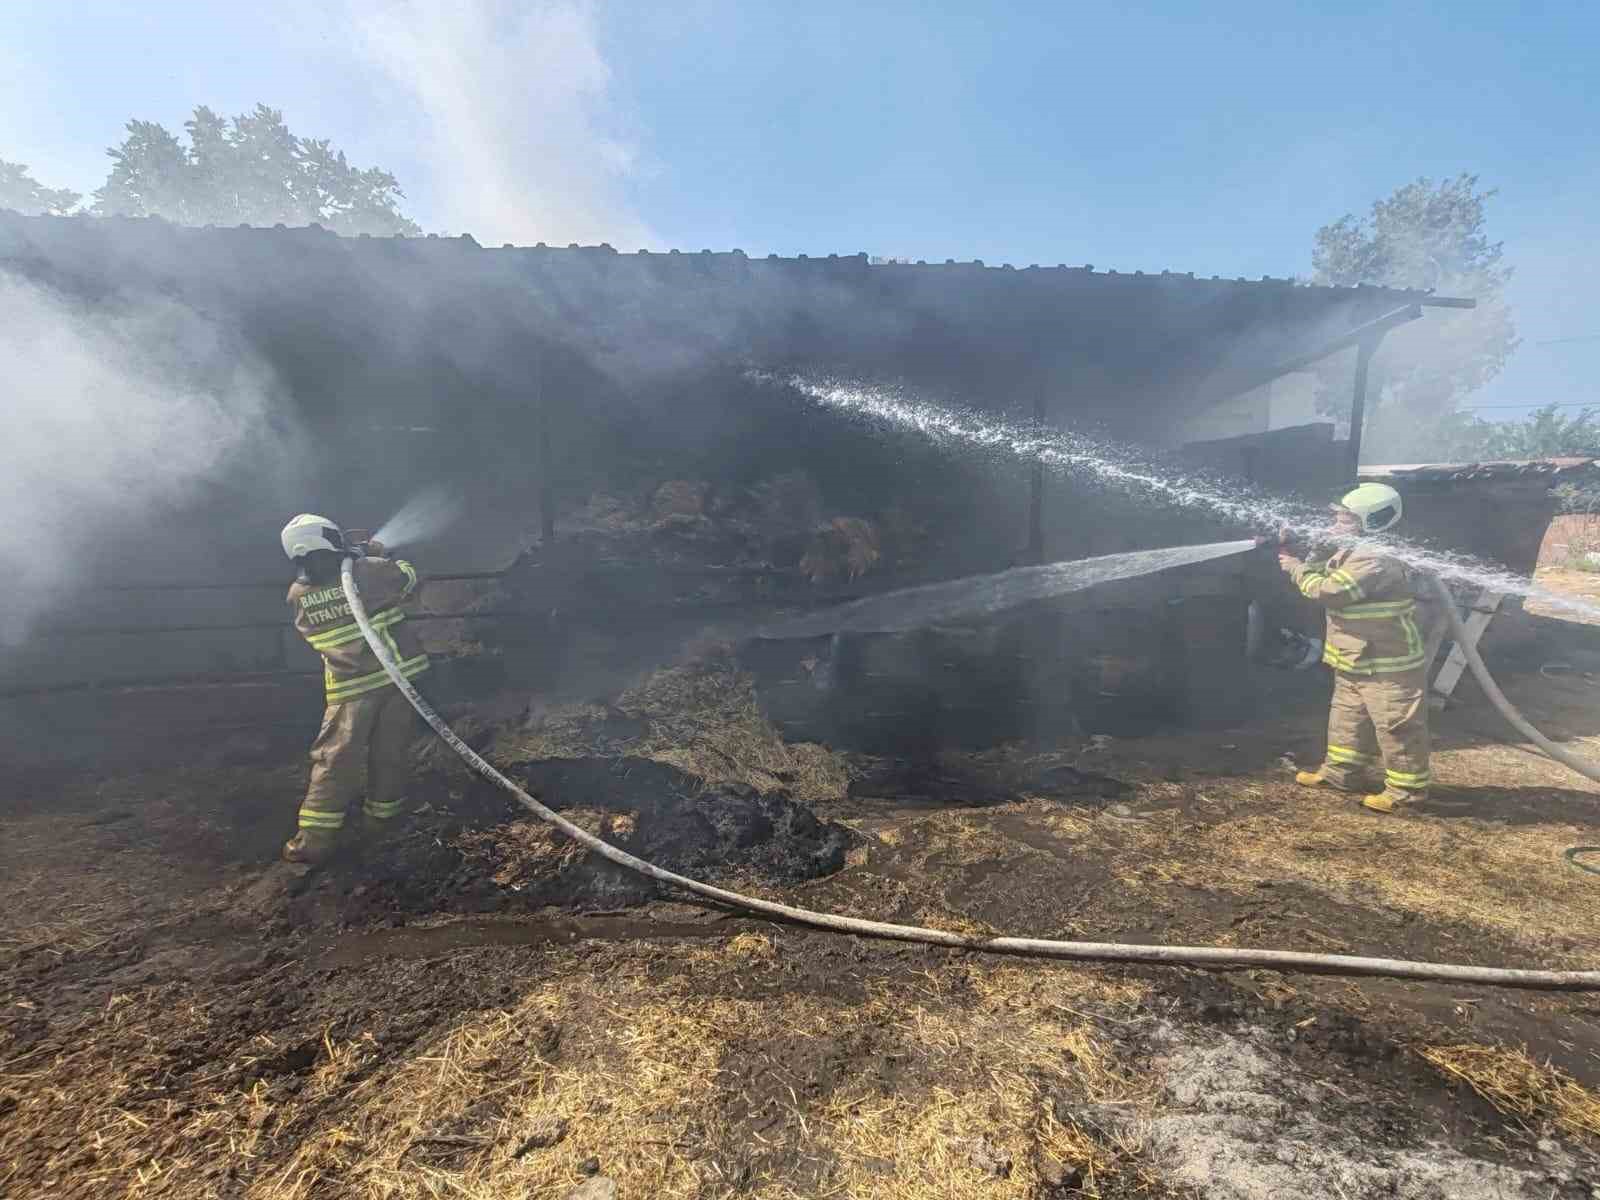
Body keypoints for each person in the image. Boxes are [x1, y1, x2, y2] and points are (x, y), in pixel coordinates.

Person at [279, 514, 431, 864]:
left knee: (335, 761)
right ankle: (381, 825)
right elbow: (407, 577)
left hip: (349, 691)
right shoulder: (368, 571)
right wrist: (374, 554)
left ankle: (313, 842)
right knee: (389, 754)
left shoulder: (297, 595)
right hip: (397, 681)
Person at [1276, 483, 1430, 814]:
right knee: (1347, 719)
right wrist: (1316, 550)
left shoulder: (1375, 559)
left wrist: (1293, 567)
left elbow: (1327, 591)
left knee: (1396, 726)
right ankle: (1341, 775)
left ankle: (1406, 793)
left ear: (1372, 522)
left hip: (1388, 661)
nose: (1336, 524)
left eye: (1345, 519)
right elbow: (1321, 571)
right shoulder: (1352, 549)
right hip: (1355, 656)